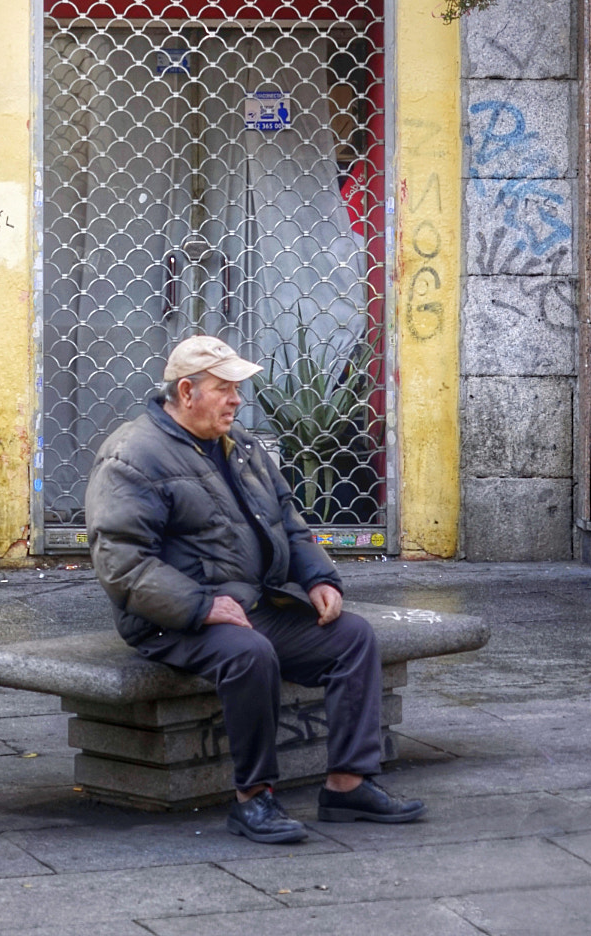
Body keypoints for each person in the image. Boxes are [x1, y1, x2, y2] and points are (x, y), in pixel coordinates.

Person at [85, 333, 425, 843]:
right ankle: (254, 799)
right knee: (250, 654)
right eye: (225, 389)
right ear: (186, 392)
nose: (237, 400)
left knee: (352, 637)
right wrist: (201, 605)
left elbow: (289, 520)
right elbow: (123, 564)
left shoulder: (240, 447)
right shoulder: (133, 456)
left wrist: (318, 578)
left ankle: (348, 785)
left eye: (237, 389)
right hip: (170, 619)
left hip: (249, 602)